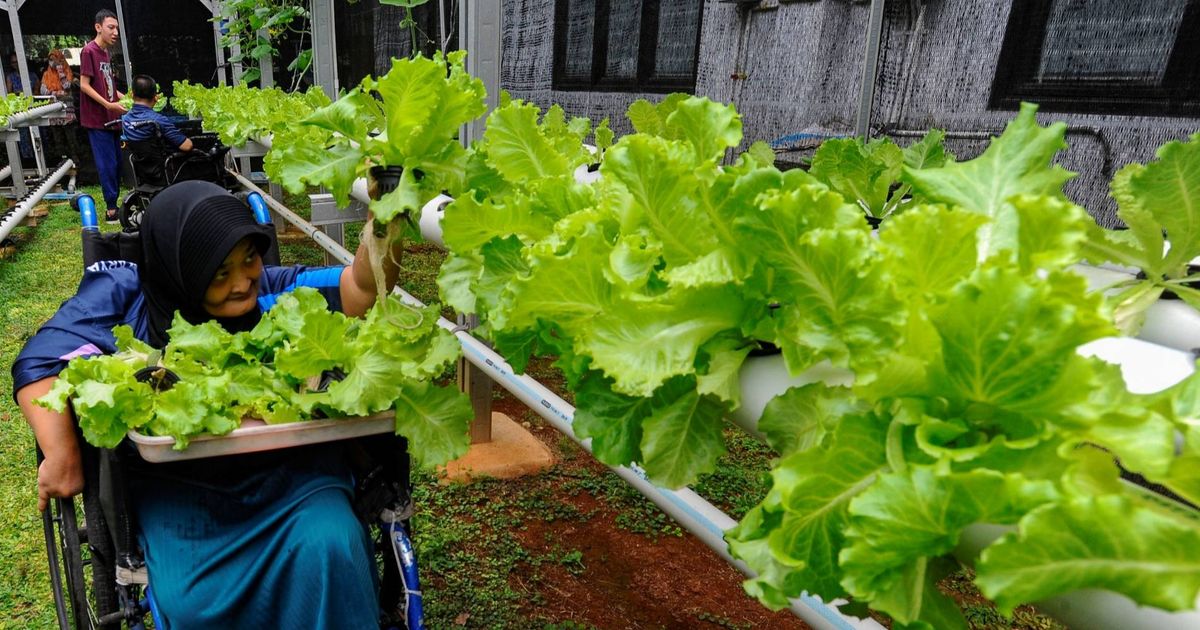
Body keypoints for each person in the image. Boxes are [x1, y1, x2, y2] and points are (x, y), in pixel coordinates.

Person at [12, 181, 405, 627]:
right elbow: (41, 362)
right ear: (181, 269)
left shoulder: (273, 294)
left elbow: (360, 288)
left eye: (251, 260)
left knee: (332, 544)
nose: (242, 283)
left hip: (293, 480)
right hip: (181, 491)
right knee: (191, 603)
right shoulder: (126, 298)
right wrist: (62, 454)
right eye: (219, 273)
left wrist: (386, 222)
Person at [79, 9, 127, 223]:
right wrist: (109, 104)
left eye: (116, 28)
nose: (115, 32)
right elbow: (84, 85)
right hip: (98, 120)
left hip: (112, 117)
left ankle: (113, 202)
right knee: (107, 164)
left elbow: (108, 87)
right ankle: (111, 210)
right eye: (111, 27)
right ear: (98, 27)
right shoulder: (89, 51)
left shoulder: (106, 54)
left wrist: (127, 99)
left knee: (117, 162)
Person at [122, 74, 193, 153]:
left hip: (138, 163)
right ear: (156, 97)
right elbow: (187, 146)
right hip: (161, 163)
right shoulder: (158, 120)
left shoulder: (126, 119)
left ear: (132, 95)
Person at [40, 49, 80, 166]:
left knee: (70, 135)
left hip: (67, 109)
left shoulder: (67, 71)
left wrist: (60, 71)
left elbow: (67, 86)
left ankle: (75, 158)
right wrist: (56, 93)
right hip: (54, 110)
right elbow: (43, 91)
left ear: (60, 59)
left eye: (54, 59)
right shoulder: (46, 74)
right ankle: (62, 159)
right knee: (57, 136)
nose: (52, 62)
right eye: (50, 60)